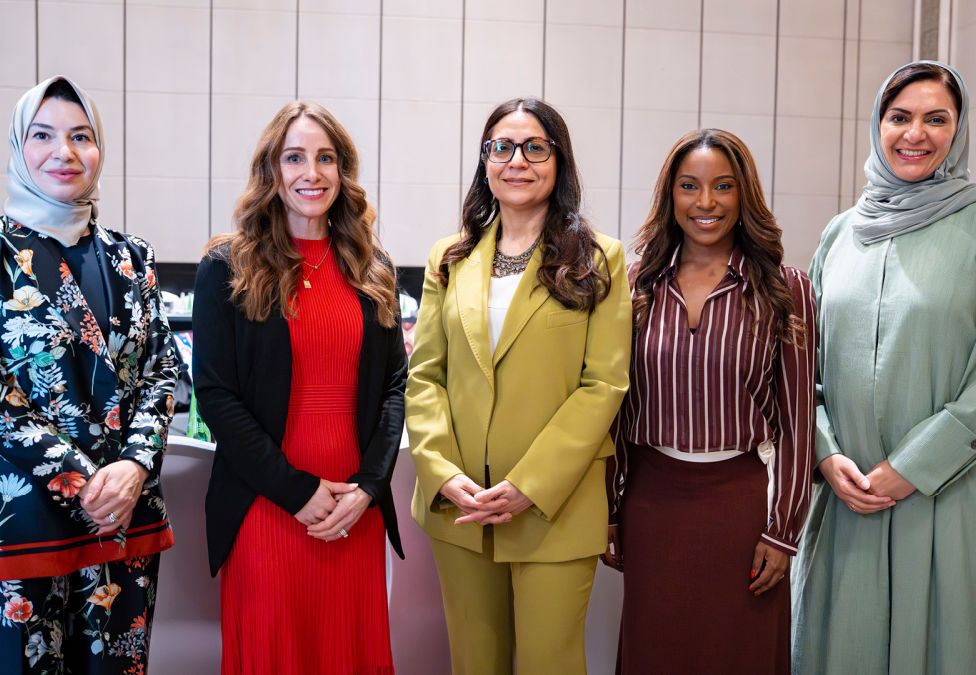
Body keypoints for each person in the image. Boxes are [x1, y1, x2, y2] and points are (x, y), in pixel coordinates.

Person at [407, 97, 632, 675]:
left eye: (535, 147)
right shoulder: (449, 259)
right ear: (485, 162)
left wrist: (530, 484)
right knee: (474, 664)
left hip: (552, 506)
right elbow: (425, 374)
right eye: (501, 147)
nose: (517, 161)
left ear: (558, 161)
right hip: (461, 506)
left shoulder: (598, 258)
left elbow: (603, 385)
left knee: (548, 664)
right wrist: (442, 472)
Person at [193, 100, 405, 675]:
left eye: (325, 158)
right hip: (267, 504)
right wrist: (295, 491)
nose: (310, 173)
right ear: (272, 170)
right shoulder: (228, 266)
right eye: (294, 158)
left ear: (343, 172)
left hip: (351, 509)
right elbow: (215, 395)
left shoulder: (372, 267)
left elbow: (393, 388)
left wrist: (368, 486)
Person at [605, 128, 816, 674]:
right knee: (657, 654)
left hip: (743, 512)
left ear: (744, 194)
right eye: (689, 186)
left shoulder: (785, 288)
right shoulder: (634, 287)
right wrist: (608, 511)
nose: (706, 202)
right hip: (652, 507)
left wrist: (783, 531)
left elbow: (796, 421)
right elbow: (614, 413)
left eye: (723, 186)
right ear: (669, 195)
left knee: (739, 653)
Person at [792, 60, 976, 675]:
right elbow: (800, 367)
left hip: (944, 494)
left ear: (960, 132)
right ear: (878, 124)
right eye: (899, 117)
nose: (914, 134)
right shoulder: (841, 235)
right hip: (845, 499)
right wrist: (822, 452)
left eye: (936, 119)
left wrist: (912, 468)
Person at [0, 76, 180, 673]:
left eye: (82, 136)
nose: (65, 152)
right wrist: (85, 480)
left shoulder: (132, 256)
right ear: (18, 148)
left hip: (126, 519)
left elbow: (162, 370)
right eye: (44, 135)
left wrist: (132, 466)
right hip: (27, 524)